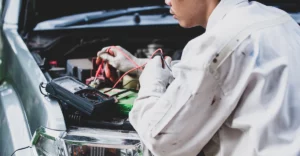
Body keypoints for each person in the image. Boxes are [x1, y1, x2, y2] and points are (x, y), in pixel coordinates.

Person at [97, 0, 300, 155]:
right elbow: (224, 76)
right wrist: (141, 66)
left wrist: (151, 82)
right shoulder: (280, 20)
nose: (167, 1)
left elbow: (160, 140)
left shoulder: (216, 43)